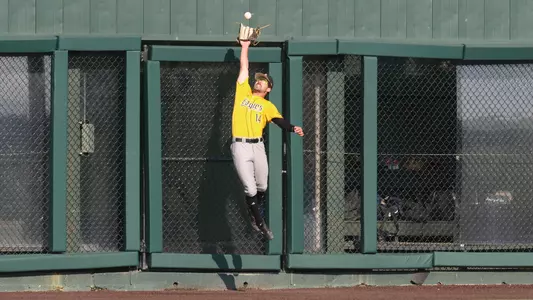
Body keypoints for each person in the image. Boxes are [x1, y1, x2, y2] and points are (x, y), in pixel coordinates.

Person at [231, 39, 304, 240]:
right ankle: (260, 222)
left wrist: (292, 128)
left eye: (263, 80)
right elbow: (244, 67)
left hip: (258, 146)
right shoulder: (243, 92)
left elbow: (278, 121)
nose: (259, 81)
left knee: (262, 186)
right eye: (259, 79)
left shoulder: (267, 106)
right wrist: (245, 46)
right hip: (240, 145)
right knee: (250, 187)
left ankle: (254, 212)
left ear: (268, 88)